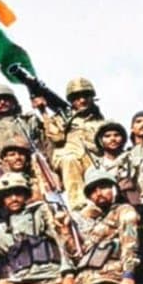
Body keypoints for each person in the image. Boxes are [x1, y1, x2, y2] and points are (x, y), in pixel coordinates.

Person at [44, 78, 105, 210]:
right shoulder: (60, 118)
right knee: (70, 160)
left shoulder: (101, 122)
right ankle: (79, 206)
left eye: (86, 96)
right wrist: (43, 111)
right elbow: (56, 138)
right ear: (71, 101)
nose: (82, 100)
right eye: (77, 98)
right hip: (70, 160)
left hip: (94, 161)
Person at [0, 84, 44, 163]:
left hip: (31, 164)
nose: (2, 102)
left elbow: (47, 138)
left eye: (6, 98)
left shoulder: (28, 122)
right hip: (3, 168)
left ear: (14, 102)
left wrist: (43, 111)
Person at [94, 120, 140, 204]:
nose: (112, 139)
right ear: (100, 140)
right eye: (107, 136)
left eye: (116, 135)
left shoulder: (136, 161)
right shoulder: (95, 168)